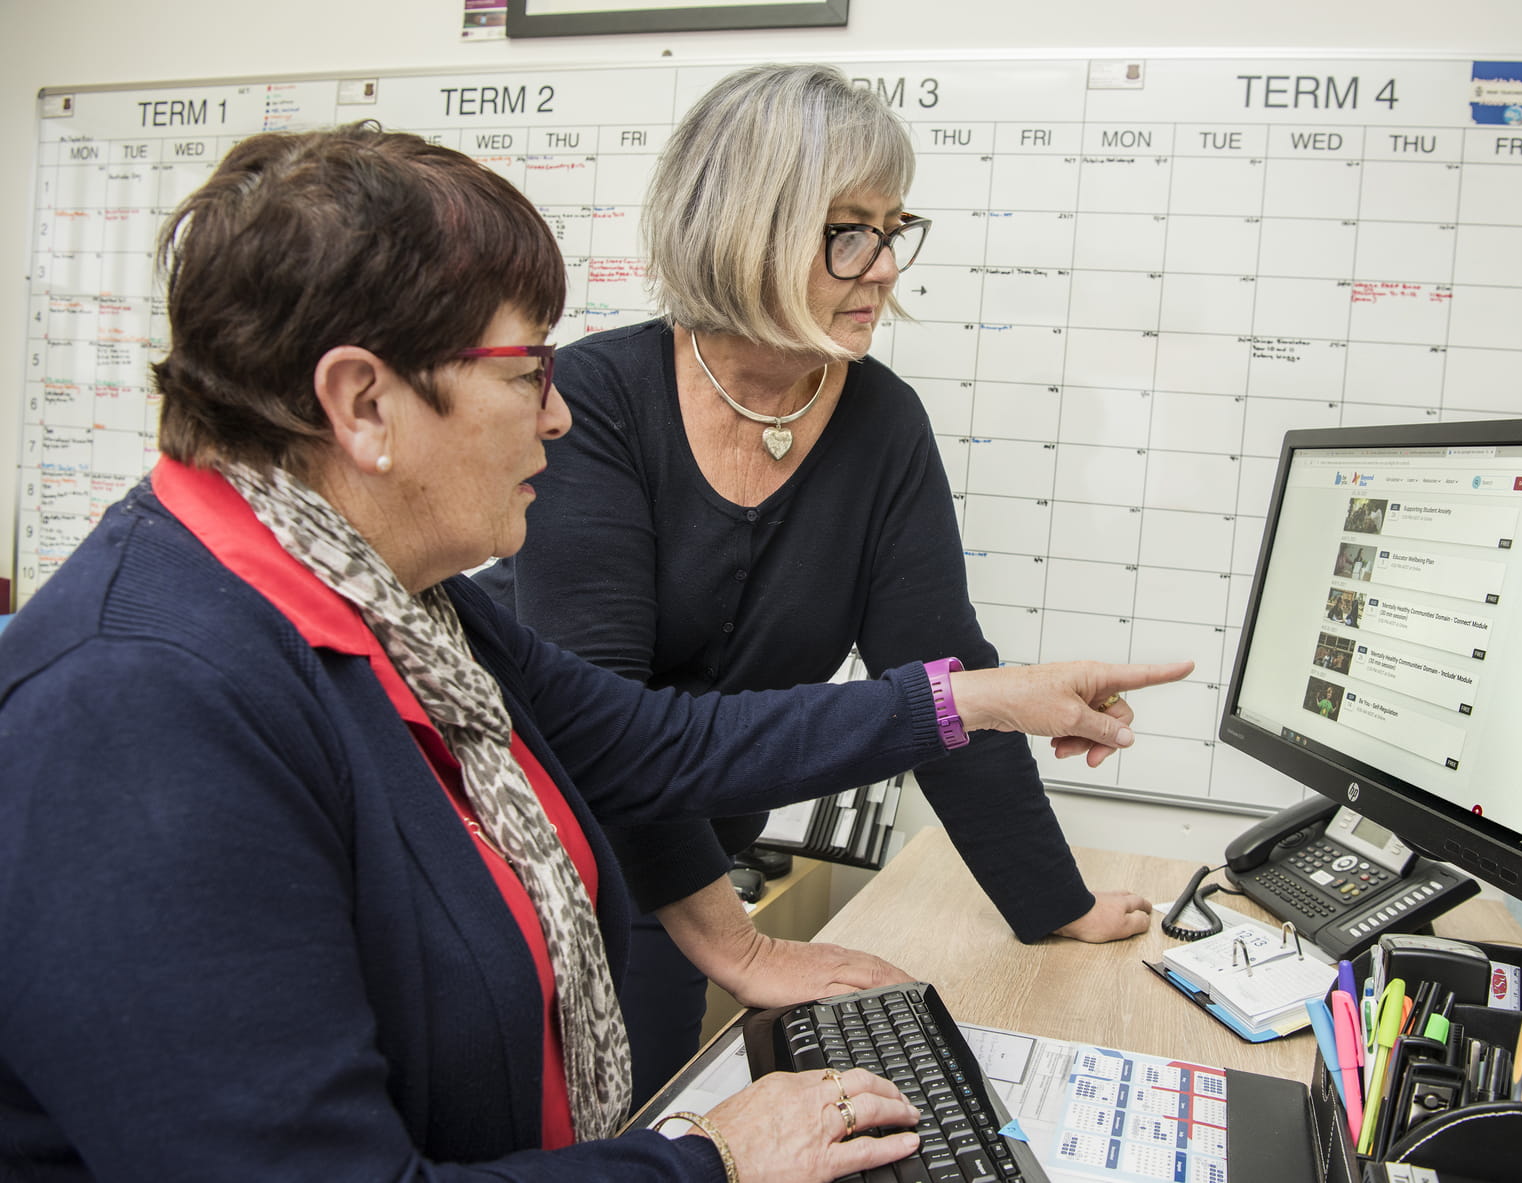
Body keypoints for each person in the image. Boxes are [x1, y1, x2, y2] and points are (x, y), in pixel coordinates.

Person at [0, 123, 1194, 1181]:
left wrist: (976, 698)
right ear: (363, 404)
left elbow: (659, 743)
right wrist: (708, 1160)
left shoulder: (398, 610)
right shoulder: (134, 711)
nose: (560, 414)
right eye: (527, 373)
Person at [477, 62, 1161, 1103]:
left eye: (892, 230)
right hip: (552, 857)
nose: (882, 267)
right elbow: (606, 737)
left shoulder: (881, 423)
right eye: (846, 231)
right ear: (744, 229)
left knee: (660, 1102)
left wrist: (1049, 900)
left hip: (703, 857)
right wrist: (738, 947)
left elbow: (939, 672)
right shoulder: (598, 402)